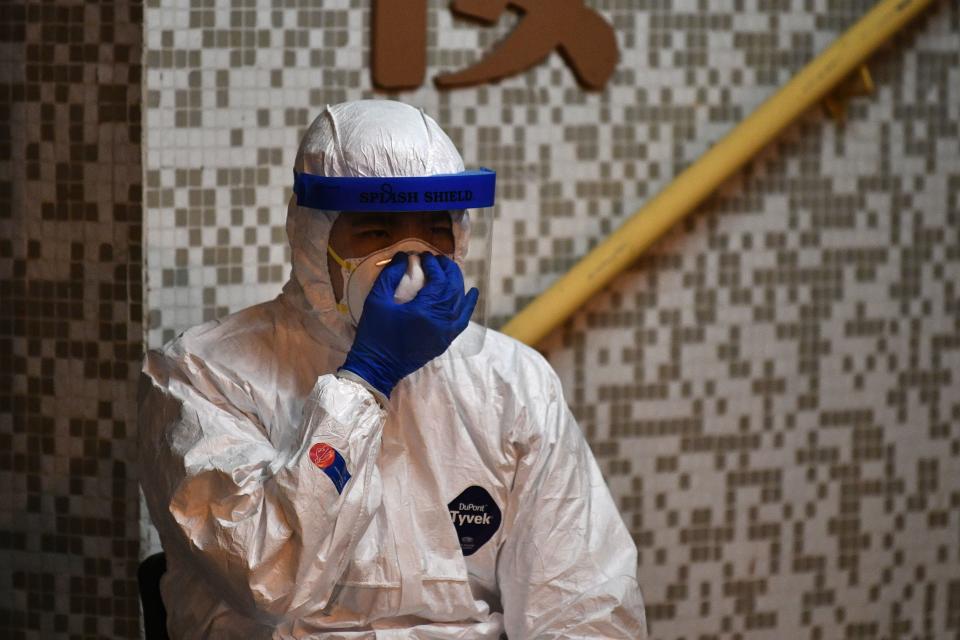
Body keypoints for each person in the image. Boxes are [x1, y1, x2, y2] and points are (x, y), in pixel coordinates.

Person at [139, 99, 647, 639]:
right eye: (376, 231)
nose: (413, 263)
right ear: (314, 238)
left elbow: (581, 602)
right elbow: (269, 578)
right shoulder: (202, 375)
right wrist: (366, 379)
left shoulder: (512, 381)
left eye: (434, 230)